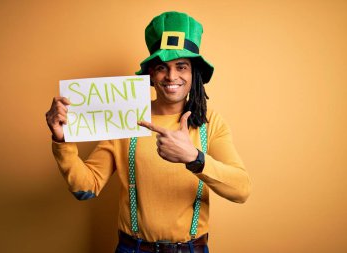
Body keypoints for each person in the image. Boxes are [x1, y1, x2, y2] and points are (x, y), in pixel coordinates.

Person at [46, 11, 251, 253]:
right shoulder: (126, 116)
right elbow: (86, 188)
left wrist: (194, 158)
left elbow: (241, 190)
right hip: (133, 249)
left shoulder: (211, 122)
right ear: (151, 74)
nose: (171, 76)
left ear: (193, 73)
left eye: (181, 66)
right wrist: (62, 140)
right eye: (162, 67)